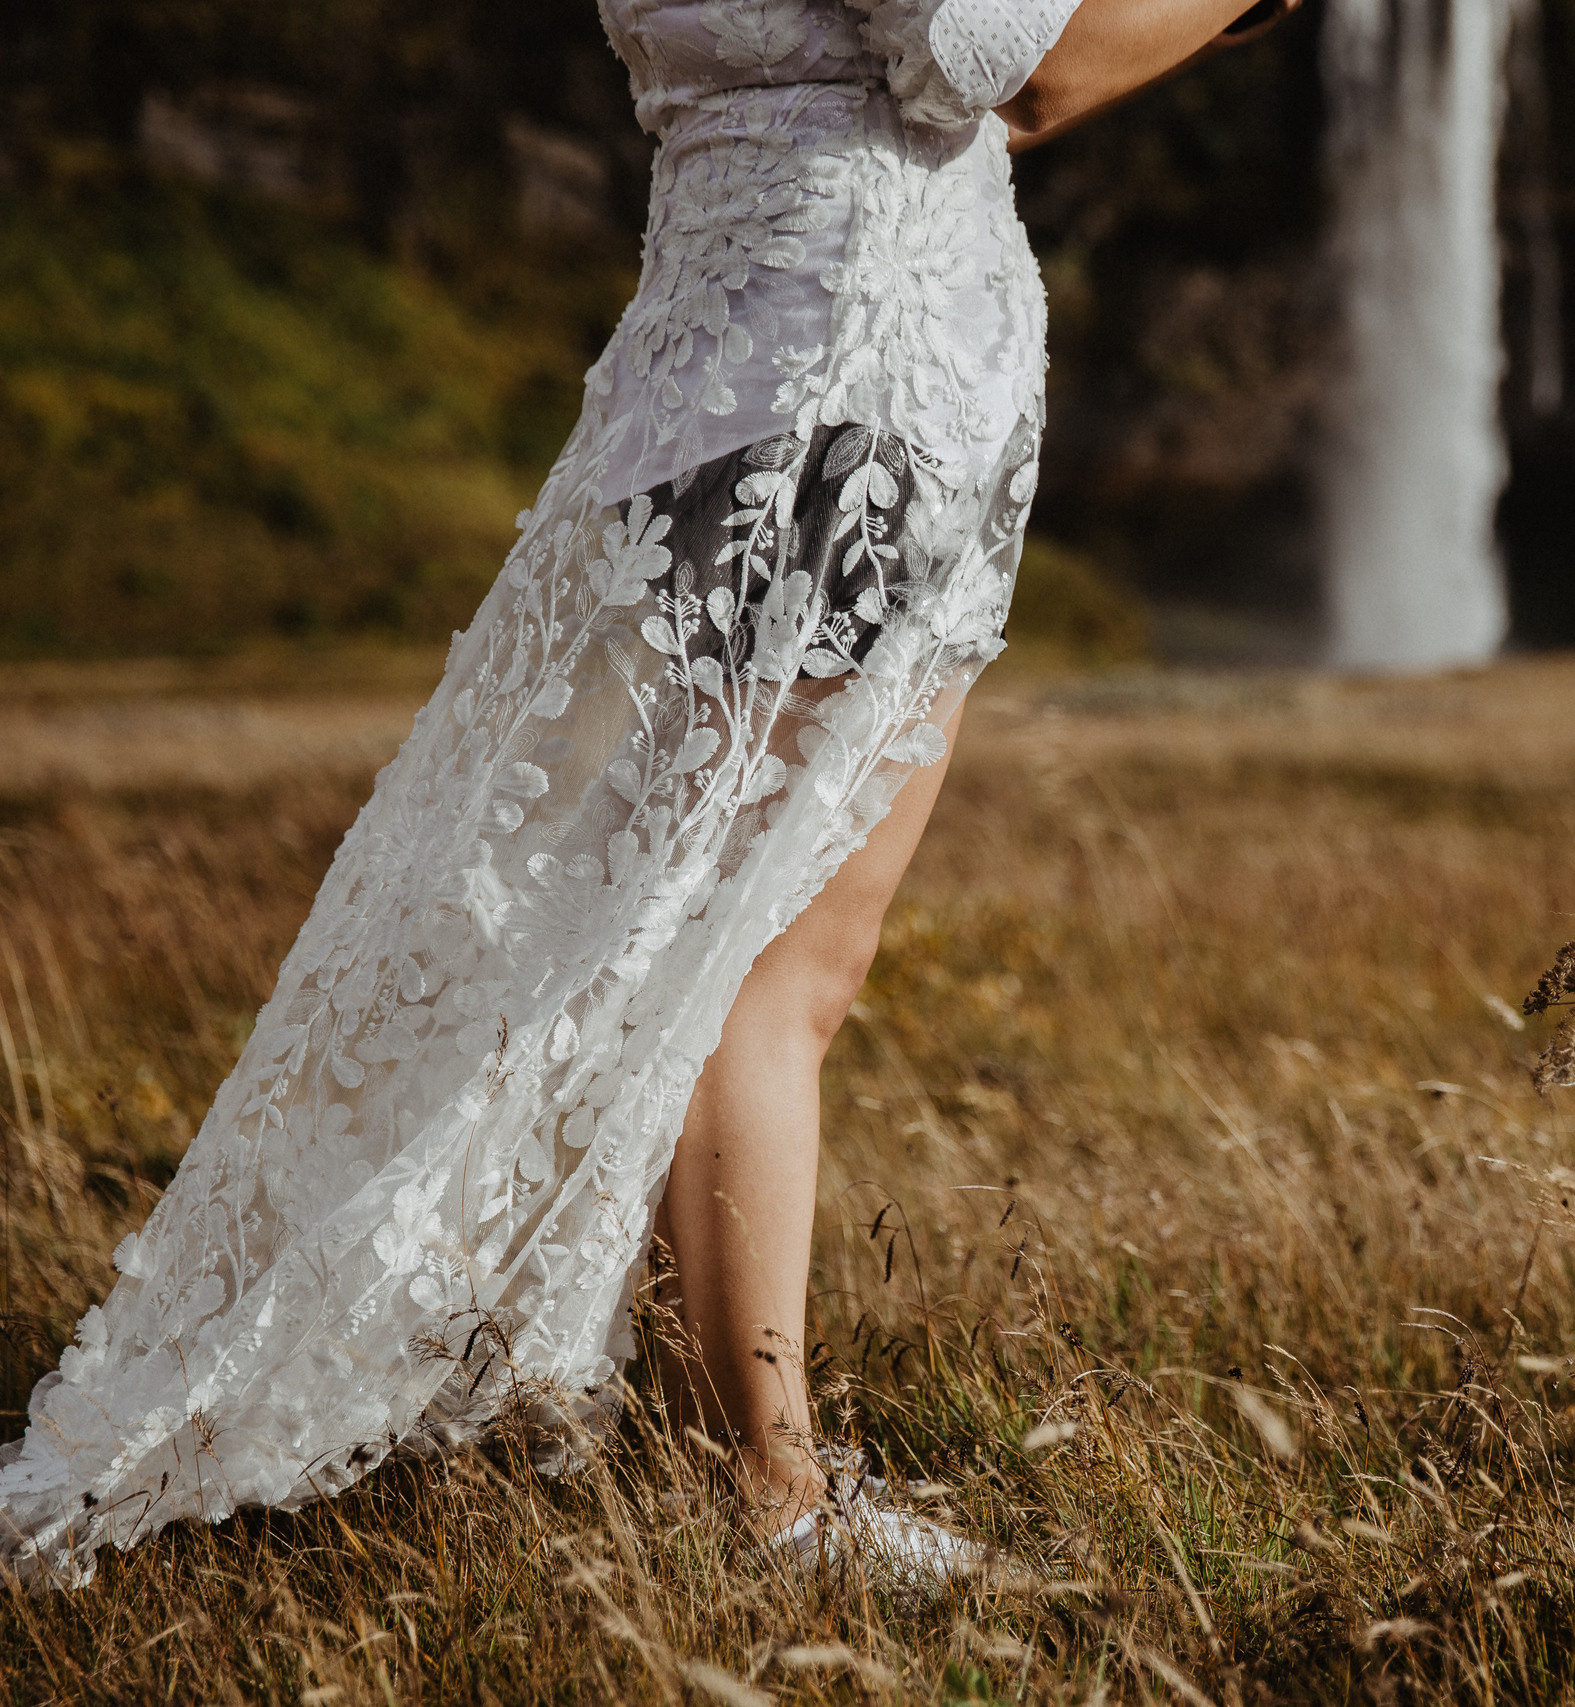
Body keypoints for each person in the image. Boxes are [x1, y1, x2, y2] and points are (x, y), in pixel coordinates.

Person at [0, 0, 1297, 1587]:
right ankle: (768, 1490)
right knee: (768, 975)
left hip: (746, 366)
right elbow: (998, 61)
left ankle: (722, 1453)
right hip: (852, 383)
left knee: (726, 951)